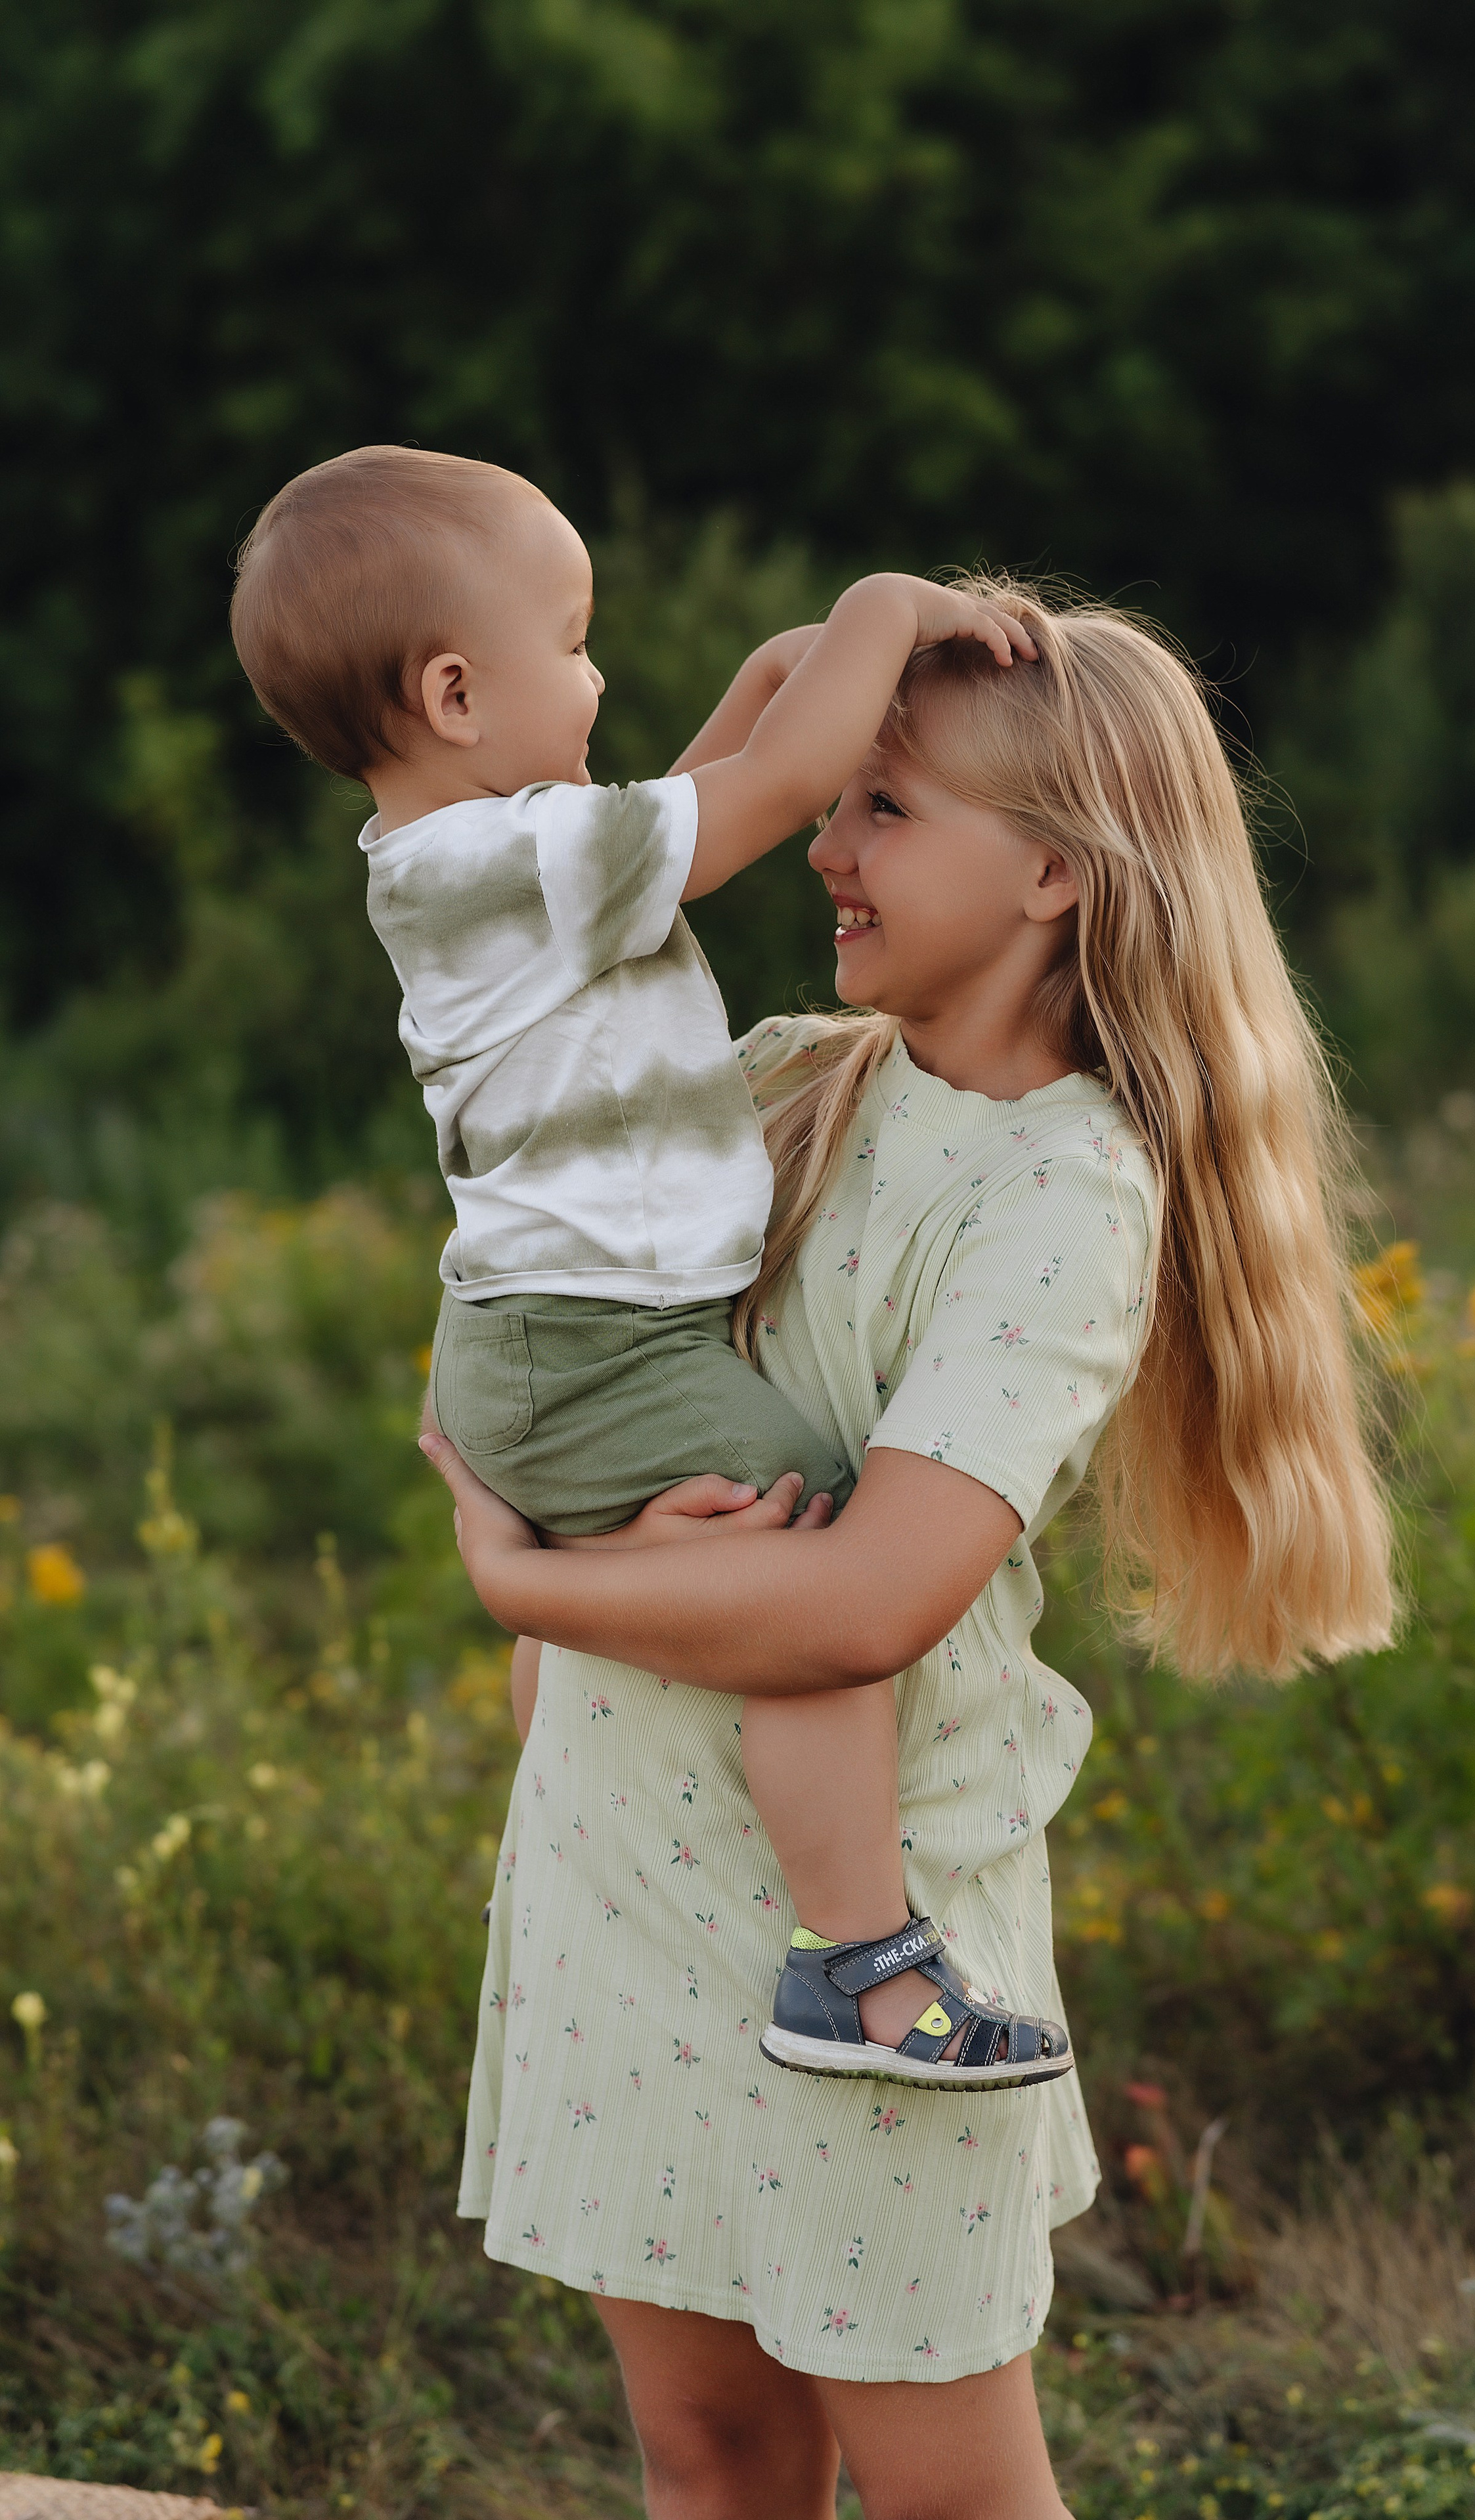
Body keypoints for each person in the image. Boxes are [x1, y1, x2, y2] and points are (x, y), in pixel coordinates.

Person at [420, 575, 1397, 2520]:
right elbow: (544, 1328)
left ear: (1052, 873)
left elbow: (871, 1597)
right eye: (837, 800)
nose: (827, 851)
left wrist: (525, 1581)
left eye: (884, 809)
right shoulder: (786, 1076)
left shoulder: (1062, 1194)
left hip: (863, 1969)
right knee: (710, 2460)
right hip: (624, 1872)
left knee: (951, 2493)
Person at [229, 444, 1065, 2088]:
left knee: (723, 1555)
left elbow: (727, 776)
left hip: (563, 1340)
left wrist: (784, 665)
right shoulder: (506, 861)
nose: (600, 671)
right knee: (810, 1561)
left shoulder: (500, 858)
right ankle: (866, 1971)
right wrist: (889, 607)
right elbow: (759, 793)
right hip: (587, 1346)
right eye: (575, 633)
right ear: (459, 691)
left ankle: (578, 1811)